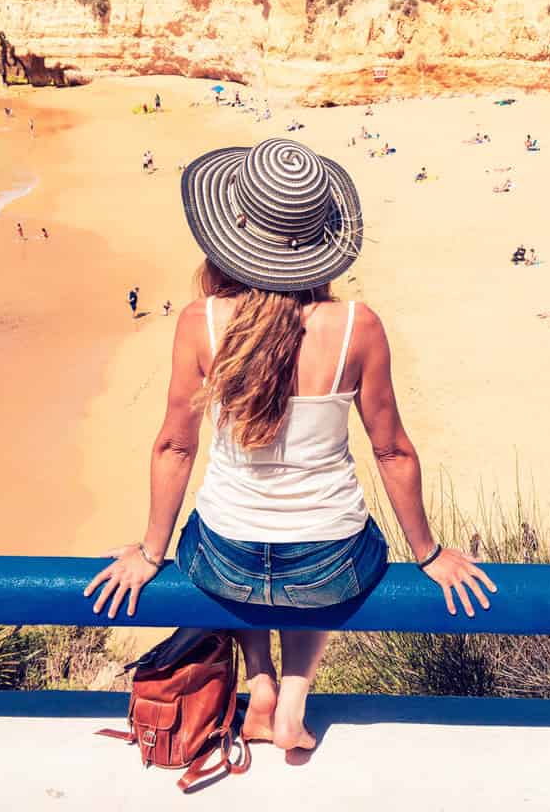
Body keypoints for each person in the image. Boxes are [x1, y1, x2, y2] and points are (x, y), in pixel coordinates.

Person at [84, 138, 492, 755]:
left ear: (235, 229)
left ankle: (263, 683)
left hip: (227, 559)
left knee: (232, 541)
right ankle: (294, 696)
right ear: (322, 239)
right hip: (328, 563)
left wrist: (149, 550)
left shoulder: (203, 321)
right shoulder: (358, 325)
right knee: (328, 546)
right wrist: (430, 554)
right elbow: (392, 452)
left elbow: (174, 445)